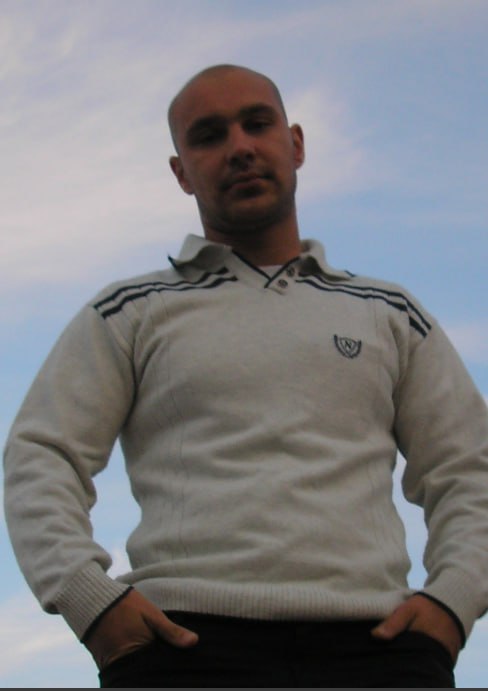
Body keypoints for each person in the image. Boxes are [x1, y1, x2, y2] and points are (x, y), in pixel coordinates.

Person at [3, 64, 488, 688]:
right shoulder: (131, 312)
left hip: (380, 650)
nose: (239, 148)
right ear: (181, 172)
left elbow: (468, 467)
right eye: (208, 136)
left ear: (296, 143)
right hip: (180, 649)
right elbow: (41, 454)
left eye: (257, 124)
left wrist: (453, 600)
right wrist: (91, 603)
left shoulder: (388, 314)